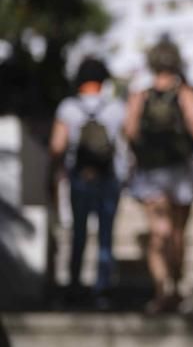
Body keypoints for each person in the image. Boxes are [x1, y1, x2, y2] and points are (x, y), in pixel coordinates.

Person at [124, 39, 193, 313]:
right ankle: (177, 287)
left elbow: (130, 131)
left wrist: (141, 154)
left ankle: (161, 290)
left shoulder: (140, 95)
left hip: (150, 171)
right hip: (180, 169)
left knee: (158, 233)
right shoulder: (185, 94)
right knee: (178, 232)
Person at [49, 57, 126, 307]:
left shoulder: (68, 108)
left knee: (79, 233)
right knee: (105, 235)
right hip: (108, 178)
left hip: (79, 178)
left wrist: (55, 171)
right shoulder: (115, 107)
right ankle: (101, 288)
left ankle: (74, 284)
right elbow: (125, 144)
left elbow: (57, 146)